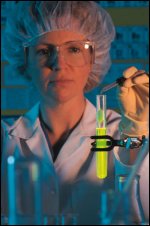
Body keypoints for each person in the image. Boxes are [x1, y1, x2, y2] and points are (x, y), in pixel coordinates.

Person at [1, 1, 149, 224]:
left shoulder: (127, 135)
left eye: (74, 49)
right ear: (25, 61)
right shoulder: (4, 139)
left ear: (92, 59)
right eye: (43, 51)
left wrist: (137, 133)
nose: (59, 64)